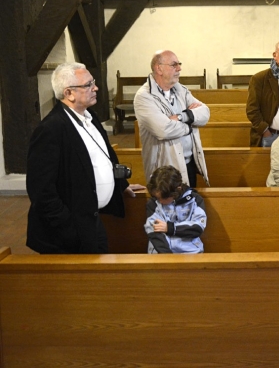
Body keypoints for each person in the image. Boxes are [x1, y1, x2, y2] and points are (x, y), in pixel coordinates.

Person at [26, 62, 145, 254]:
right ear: (69, 93)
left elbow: (105, 155)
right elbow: (41, 190)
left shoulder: (89, 116)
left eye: (93, 82)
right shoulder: (50, 130)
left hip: (90, 220)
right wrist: (67, 226)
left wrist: (120, 184)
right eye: (88, 84)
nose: (95, 88)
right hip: (68, 232)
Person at [133, 50, 209, 187]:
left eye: (179, 64)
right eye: (174, 65)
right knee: (167, 207)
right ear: (159, 68)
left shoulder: (181, 90)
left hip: (189, 163)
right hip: (164, 170)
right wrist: (190, 125)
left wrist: (182, 116)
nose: (179, 68)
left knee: (188, 205)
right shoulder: (144, 97)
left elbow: (205, 113)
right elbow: (164, 130)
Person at [145, 165, 206, 254]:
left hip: (191, 252)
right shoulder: (153, 203)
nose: (160, 201)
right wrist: (169, 258)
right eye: (157, 198)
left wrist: (170, 228)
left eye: (164, 198)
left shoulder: (195, 199)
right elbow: (155, 235)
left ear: (178, 189)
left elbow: (197, 228)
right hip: (161, 254)